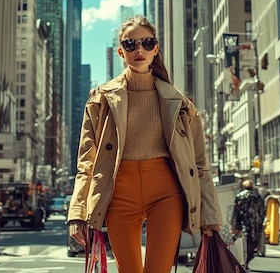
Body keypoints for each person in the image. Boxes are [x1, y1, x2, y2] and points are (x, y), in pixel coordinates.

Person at [67, 15, 223, 273]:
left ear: (156, 49)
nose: (139, 50)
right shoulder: (100, 101)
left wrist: (210, 215)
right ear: (121, 51)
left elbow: (199, 165)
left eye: (146, 43)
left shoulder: (180, 103)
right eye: (130, 45)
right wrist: (77, 212)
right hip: (119, 194)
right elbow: (87, 161)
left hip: (166, 193)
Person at [231, 179, 266, 271]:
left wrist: (234, 224)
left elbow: (236, 211)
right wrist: (260, 222)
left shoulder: (240, 196)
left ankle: (243, 262)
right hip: (255, 224)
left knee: (243, 244)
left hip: (243, 223)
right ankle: (247, 260)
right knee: (253, 244)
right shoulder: (257, 196)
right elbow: (262, 211)